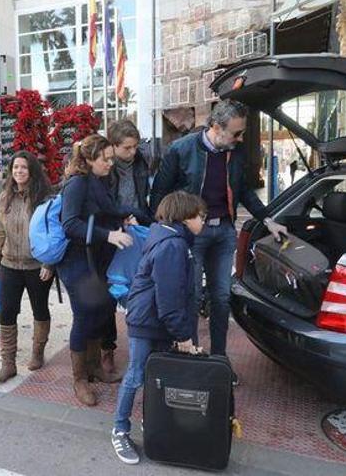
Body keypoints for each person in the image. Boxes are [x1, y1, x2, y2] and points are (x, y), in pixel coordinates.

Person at [150, 99, 288, 360]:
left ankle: (218, 359)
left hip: (224, 233)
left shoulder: (235, 152)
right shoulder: (180, 150)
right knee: (190, 297)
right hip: (191, 235)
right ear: (216, 127)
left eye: (243, 132)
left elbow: (244, 190)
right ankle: (192, 356)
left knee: (222, 298)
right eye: (236, 133)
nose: (240, 138)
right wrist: (164, 232)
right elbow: (159, 194)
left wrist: (268, 220)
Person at [111, 190, 205, 465]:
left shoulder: (170, 238)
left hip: (155, 318)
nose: (204, 222)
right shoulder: (172, 246)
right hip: (148, 321)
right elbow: (169, 298)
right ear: (185, 217)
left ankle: (151, 422)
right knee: (137, 374)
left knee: (155, 375)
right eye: (200, 217)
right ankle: (119, 428)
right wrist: (184, 336)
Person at [59, 134, 143, 406]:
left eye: (110, 158)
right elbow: (70, 224)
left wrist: (124, 217)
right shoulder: (77, 184)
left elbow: (107, 210)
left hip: (97, 261)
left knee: (100, 312)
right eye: (104, 159)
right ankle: (79, 379)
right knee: (84, 316)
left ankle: (95, 367)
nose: (110, 163)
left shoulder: (99, 181)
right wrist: (108, 235)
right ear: (89, 160)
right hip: (78, 262)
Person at [0, 151, 54, 383]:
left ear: (32, 170)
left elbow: (52, 233)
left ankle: (37, 353)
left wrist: (49, 262)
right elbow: (0, 232)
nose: (19, 172)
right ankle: (8, 364)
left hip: (37, 266)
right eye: (15, 168)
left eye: (23, 167)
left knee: (40, 310)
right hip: (9, 265)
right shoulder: (4, 197)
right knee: (6, 312)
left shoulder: (44, 198)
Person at [101, 119, 153, 375]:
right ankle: (107, 349)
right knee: (109, 293)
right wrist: (120, 217)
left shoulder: (142, 161)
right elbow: (102, 204)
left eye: (135, 146)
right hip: (111, 233)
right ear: (113, 147)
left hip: (137, 228)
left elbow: (145, 196)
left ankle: (142, 347)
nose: (133, 152)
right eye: (127, 148)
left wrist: (143, 218)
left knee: (139, 290)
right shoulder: (104, 167)